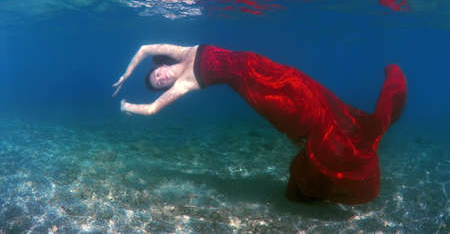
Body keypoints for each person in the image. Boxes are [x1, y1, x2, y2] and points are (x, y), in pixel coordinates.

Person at [112, 44, 407, 205]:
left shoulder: (184, 51)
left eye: (157, 74)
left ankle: (329, 160)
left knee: (317, 97)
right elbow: (151, 110)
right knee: (307, 115)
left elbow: (142, 48)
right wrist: (128, 106)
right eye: (158, 83)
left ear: (159, 66)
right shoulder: (185, 83)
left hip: (265, 66)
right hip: (258, 92)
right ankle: (322, 171)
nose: (161, 78)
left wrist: (127, 75)